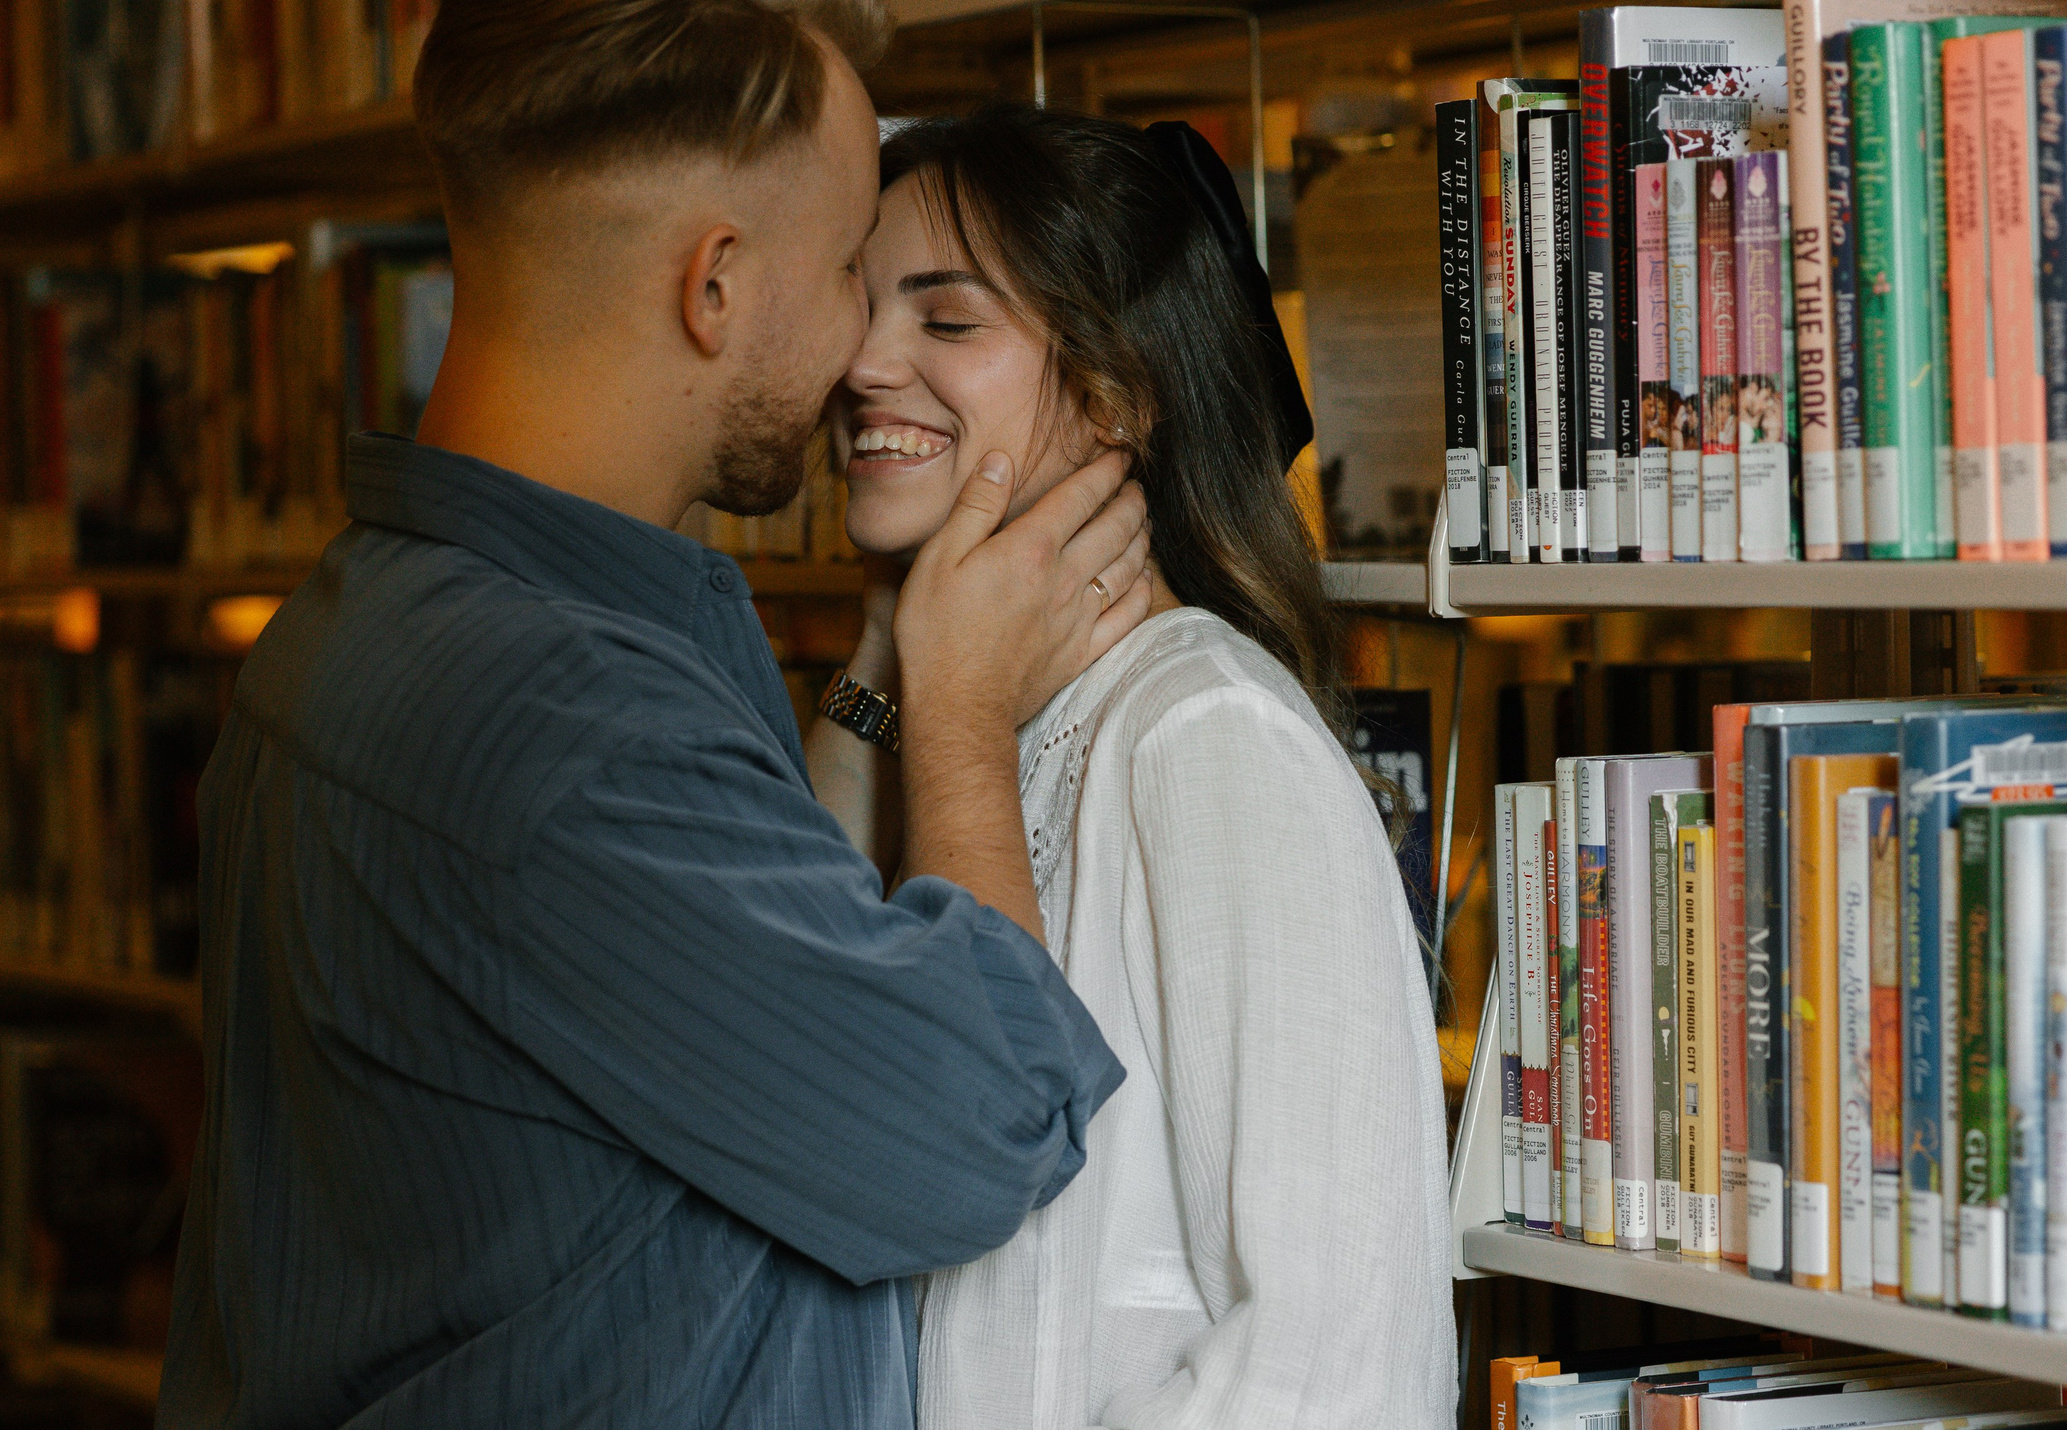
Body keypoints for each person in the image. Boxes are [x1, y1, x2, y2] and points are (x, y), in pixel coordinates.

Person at [158, 4, 1150, 1426]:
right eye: (850, 269)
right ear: (719, 287)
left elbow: (706, 1000)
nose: (867, 354)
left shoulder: (361, 626)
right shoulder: (567, 727)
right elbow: (982, 1120)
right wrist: (966, 701)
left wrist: (881, 664)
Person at [811, 105, 1455, 1430]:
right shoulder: (963, 720)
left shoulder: (1211, 739)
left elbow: (1343, 1370)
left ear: (1115, 394)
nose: (862, 362)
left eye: (944, 321)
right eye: (855, 305)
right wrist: (899, 643)